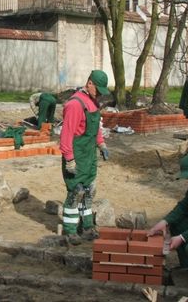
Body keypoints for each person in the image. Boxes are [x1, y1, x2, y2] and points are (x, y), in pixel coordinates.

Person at [59, 70, 110, 245]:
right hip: (77, 155)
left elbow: (95, 130)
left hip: (89, 156)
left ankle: (87, 228)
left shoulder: (93, 103)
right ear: (89, 84)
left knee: (89, 191)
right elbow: (66, 134)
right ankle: (70, 231)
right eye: (99, 89)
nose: (101, 94)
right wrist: (69, 158)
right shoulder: (75, 104)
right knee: (76, 192)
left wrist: (101, 144)